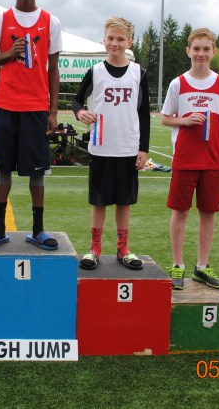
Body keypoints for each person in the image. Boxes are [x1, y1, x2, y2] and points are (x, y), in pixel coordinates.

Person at [0, 0, 62, 250]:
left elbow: (53, 69)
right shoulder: (0, 21)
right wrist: (9, 54)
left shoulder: (51, 22)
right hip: (5, 106)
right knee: (3, 169)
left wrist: (53, 111)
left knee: (37, 171)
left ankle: (38, 230)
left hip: (36, 109)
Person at [71, 17, 150, 269]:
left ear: (129, 42)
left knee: (124, 201)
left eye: (120, 39)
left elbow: (144, 113)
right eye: (111, 38)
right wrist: (80, 113)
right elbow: (76, 100)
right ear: (103, 39)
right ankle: (95, 248)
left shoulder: (139, 73)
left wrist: (143, 148)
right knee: (99, 200)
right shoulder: (95, 71)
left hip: (128, 147)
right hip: (101, 146)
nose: (115, 43)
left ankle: (122, 248)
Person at [161, 27, 219, 290]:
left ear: (213, 52)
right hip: (185, 158)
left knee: (208, 212)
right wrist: (185, 120)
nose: (201, 53)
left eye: (206, 49)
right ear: (188, 51)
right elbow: (165, 118)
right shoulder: (178, 83)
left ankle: (202, 266)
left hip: (212, 160)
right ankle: (178, 265)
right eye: (196, 48)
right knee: (180, 211)